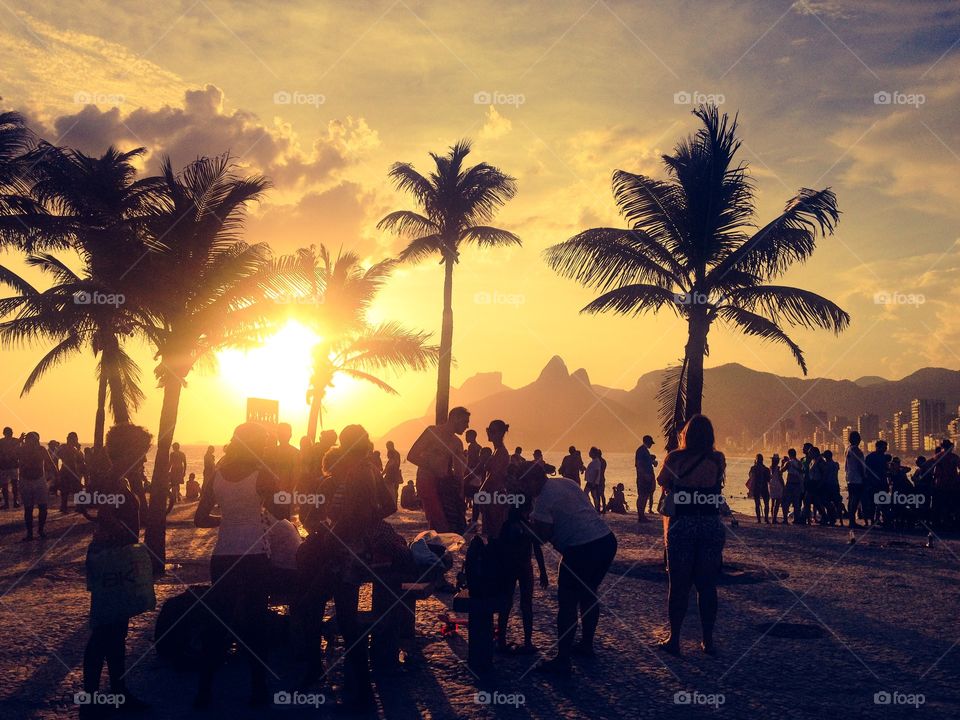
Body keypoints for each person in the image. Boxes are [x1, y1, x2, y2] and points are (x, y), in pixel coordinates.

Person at [193, 423, 278, 709]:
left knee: (219, 622)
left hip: (223, 556)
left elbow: (200, 518)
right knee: (256, 623)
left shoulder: (217, 475)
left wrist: (228, 521)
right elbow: (282, 511)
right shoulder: (263, 474)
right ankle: (258, 689)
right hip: (254, 556)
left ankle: (204, 691)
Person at [80, 425, 153, 716]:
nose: (145, 459)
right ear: (130, 450)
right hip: (112, 558)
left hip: (112, 555)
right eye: (142, 453)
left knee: (114, 628)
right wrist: (126, 543)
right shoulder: (112, 480)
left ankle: (116, 691)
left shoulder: (116, 479)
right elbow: (106, 517)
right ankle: (94, 695)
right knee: (105, 629)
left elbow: (91, 509)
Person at [528, 464, 617, 675]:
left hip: (580, 548)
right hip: (605, 540)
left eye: (525, 483)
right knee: (588, 594)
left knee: (567, 601)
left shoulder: (542, 499)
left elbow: (542, 537)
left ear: (532, 481)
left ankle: (562, 659)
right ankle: (586, 644)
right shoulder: (565, 482)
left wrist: (525, 528)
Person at [656, 415, 726, 656]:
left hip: (682, 525)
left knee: (678, 586)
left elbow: (661, 480)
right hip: (709, 524)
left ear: (686, 434)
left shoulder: (675, 458)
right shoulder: (717, 459)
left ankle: (674, 639)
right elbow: (716, 483)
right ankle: (708, 641)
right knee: (707, 586)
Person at [496, 468, 548, 655]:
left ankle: (501, 640)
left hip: (508, 568)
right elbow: (537, 548)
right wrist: (543, 572)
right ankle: (527, 642)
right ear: (526, 509)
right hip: (524, 568)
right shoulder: (528, 527)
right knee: (526, 605)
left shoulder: (508, 525)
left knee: (506, 603)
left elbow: (500, 548)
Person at [407, 407, 470, 532]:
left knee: (448, 522)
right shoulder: (432, 432)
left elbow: (459, 472)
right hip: (426, 481)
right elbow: (412, 455)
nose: (467, 426)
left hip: (444, 484)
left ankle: (437, 548)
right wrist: (434, 468)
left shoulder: (457, 443)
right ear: (455, 418)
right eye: (465, 422)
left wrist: (460, 495)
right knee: (438, 520)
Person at [18, 432, 55, 541]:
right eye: (29, 440)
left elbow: (50, 462)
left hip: (39, 479)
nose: (32, 442)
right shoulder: (22, 449)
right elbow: (9, 454)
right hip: (25, 480)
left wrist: (57, 474)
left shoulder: (41, 449)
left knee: (43, 507)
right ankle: (30, 533)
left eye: (34, 440)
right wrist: (19, 441)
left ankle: (41, 530)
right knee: (28, 508)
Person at [478, 420, 511, 539]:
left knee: (495, 531)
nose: (488, 433)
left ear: (499, 433)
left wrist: (481, 491)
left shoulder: (501, 452)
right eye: (488, 430)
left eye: (491, 431)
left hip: (495, 496)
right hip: (492, 495)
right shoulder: (497, 451)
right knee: (491, 531)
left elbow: (493, 475)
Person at [268, 423, 301, 520]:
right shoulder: (271, 452)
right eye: (280, 434)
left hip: (283, 493)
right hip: (273, 493)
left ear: (290, 435)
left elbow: (296, 475)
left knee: (280, 521)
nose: (281, 436)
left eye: (283, 434)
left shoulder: (295, 453)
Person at [58, 431, 86, 513]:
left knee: (78, 489)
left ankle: (79, 506)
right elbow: (58, 457)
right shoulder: (64, 448)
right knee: (65, 490)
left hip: (74, 472)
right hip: (66, 471)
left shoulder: (76, 449)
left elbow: (81, 460)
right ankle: (64, 506)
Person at [863, 440, 889, 527]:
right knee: (878, 503)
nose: (885, 448)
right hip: (876, 483)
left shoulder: (871, 457)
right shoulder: (879, 457)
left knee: (877, 503)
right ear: (877, 447)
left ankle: (876, 520)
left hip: (879, 483)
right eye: (884, 447)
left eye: (886, 447)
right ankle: (876, 520)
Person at [844, 431, 866, 528]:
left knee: (851, 499)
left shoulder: (847, 449)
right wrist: (863, 477)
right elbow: (860, 465)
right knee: (855, 500)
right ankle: (852, 522)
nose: (860, 440)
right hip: (857, 478)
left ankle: (851, 520)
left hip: (850, 477)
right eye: (859, 438)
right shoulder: (857, 450)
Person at [635, 435, 657, 522]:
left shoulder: (644, 451)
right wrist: (645, 475)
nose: (651, 445)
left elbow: (644, 463)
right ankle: (641, 516)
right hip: (643, 478)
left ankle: (642, 515)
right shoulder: (641, 451)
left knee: (644, 496)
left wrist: (652, 462)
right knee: (642, 496)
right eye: (650, 443)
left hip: (645, 477)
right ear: (647, 441)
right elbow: (639, 465)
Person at [0, 426, 21, 509]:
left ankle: (11, 502)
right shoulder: (14, 441)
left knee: (12, 484)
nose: (10, 434)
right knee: (8, 485)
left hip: (10, 466)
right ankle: (10, 502)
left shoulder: (15, 441)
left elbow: (19, 452)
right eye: (9, 432)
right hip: (6, 466)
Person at [781, 449, 804, 524]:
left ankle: (785, 520)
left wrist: (783, 463)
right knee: (796, 503)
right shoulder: (799, 462)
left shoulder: (789, 463)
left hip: (790, 483)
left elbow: (782, 470)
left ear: (789, 454)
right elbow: (802, 472)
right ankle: (796, 519)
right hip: (797, 484)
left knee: (786, 502)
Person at [748, 453, 771, 524]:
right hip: (764, 487)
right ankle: (766, 519)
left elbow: (750, 477)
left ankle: (759, 519)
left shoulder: (753, 468)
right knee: (766, 504)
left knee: (757, 504)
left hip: (756, 488)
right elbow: (769, 479)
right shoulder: (766, 469)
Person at [166, 442, 187, 512]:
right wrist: (184, 471)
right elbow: (185, 463)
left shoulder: (172, 454)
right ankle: (177, 497)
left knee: (174, 483)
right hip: (179, 469)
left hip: (175, 469)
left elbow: (170, 463)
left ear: (174, 447)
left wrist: (167, 470)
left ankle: (175, 497)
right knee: (176, 483)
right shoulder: (182, 454)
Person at [584, 447, 604, 512]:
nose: (589, 453)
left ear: (594, 453)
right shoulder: (594, 461)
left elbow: (597, 472)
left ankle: (592, 507)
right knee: (593, 495)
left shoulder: (596, 461)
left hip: (592, 481)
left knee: (586, 493)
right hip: (591, 481)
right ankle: (595, 508)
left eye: (590, 452)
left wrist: (594, 482)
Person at [769, 454, 785, 523]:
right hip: (778, 485)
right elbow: (780, 477)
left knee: (772, 503)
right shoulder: (778, 468)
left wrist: (782, 464)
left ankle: (773, 518)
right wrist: (784, 486)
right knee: (777, 503)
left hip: (771, 485)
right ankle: (774, 518)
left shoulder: (770, 467)